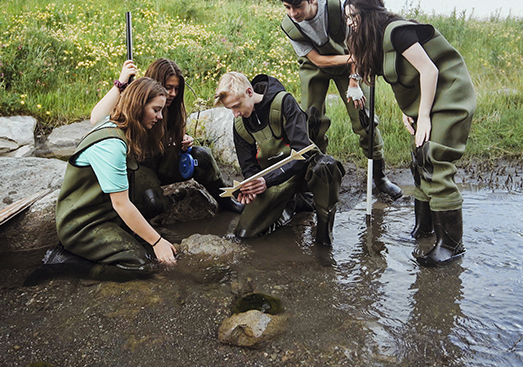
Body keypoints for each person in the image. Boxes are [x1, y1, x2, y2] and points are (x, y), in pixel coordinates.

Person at [343, 0, 476, 267]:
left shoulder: (398, 33)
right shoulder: (376, 40)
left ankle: (451, 244)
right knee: (419, 161)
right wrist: (410, 112)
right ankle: (425, 230)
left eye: (353, 17)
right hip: (425, 102)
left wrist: (424, 115)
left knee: (434, 159)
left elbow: (430, 70)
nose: (350, 23)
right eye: (347, 18)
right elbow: (401, 78)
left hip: (449, 94)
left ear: (368, 15)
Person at [276, 0, 402, 199]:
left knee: (363, 117)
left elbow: (356, 46)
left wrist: (354, 81)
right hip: (315, 68)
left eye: (297, 7)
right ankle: (315, 174)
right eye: (287, 7)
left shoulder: (337, 10)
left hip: (347, 65)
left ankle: (379, 177)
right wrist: (355, 58)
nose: (292, 13)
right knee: (311, 122)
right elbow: (318, 60)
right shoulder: (290, 26)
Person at [54, 78, 177, 281]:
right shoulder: (111, 144)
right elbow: (121, 204)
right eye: (156, 110)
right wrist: (157, 242)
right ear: (138, 105)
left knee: (146, 179)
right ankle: (68, 265)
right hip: (82, 226)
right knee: (140, 266)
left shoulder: (121, 127)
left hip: (105, 216)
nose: (160, 116)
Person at [91, 58, 242, 213]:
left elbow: (172, 133)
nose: (173, 94)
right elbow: (96, 119)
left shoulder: (173, 106)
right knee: (152, 201)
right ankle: (169, 207)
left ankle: (226, 202)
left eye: (176, 89)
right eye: (168, 88)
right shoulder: (132, 103)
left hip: (165, 164)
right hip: (141, 170)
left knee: (201, 156)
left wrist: (183, 139)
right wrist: (120, 84)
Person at [214, 72, 345, 245]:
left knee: (327, 166)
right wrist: (250, 187)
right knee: (245, 235)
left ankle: (324, 236)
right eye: (230, 108)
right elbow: (249, 167)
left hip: (304, 171)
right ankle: (295, 204)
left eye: (236, 106)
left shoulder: (284, 102)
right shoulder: (239, 124)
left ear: (249, 92)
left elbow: (303, 152)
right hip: (273, 180)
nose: (235, 114)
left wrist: (266, 180)